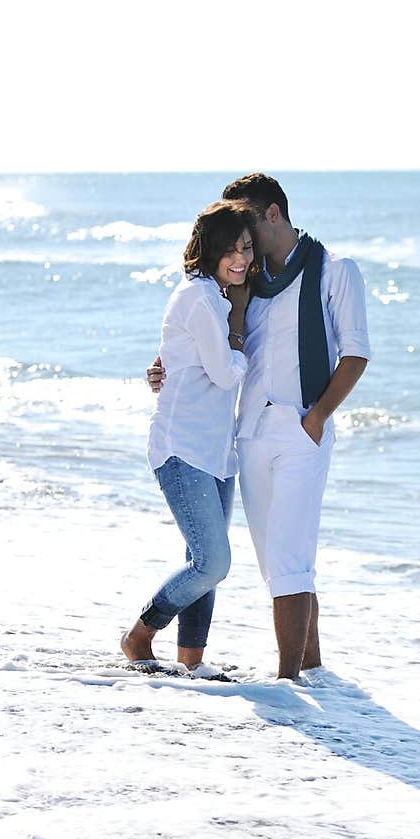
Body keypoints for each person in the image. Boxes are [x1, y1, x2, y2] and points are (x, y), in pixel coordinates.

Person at [149, 173, 371, 680]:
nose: (242, 244)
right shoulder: (242, 284)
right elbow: (199, 339)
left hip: (300, 430)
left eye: (248, 225)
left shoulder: (335, 271)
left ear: (273, 213)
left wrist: (315, 418)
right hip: (246, 434)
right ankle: (313, 669)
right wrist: (161, 367)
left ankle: (288, 682)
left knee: (291, 557)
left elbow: (356, 353)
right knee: (278, 562)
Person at [122, 200, 255, 676]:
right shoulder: (200, 299)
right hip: (182, 448)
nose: (240, 258)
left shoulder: (215, 296)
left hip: (217, 451)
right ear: (209, 251)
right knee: (213, 562)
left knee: (201, 560)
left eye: (246, 248)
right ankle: (140, 634)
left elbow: (174, 361)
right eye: (230, 250)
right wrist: (238, 336)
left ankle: (192, 663)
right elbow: (223, 374)